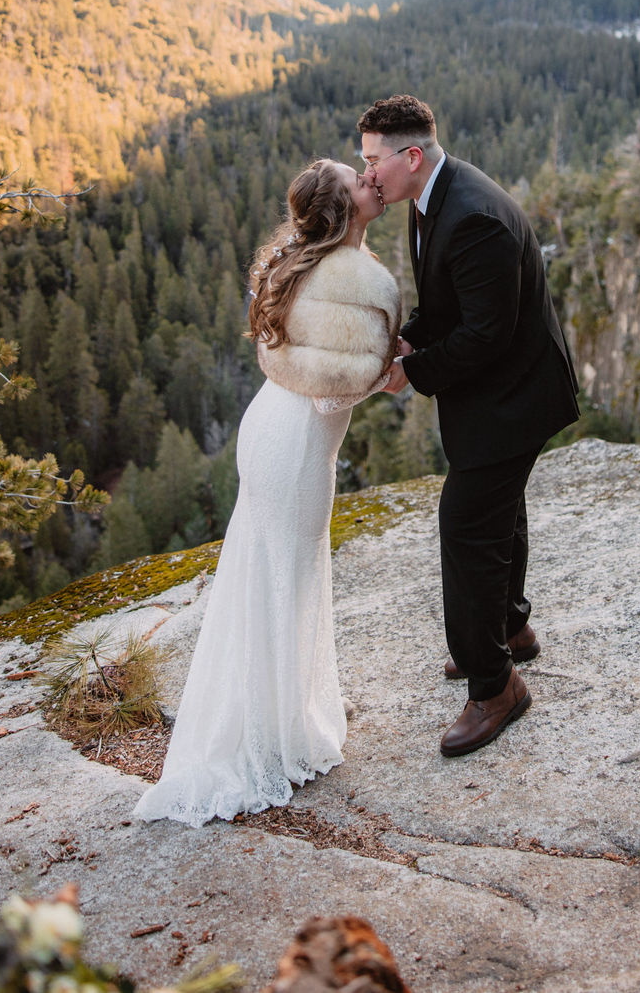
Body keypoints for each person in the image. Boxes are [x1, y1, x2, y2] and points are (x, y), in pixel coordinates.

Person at [134, 159, 399, 827]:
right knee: (291, 575)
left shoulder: (309, 264)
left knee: (267, 574)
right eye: (358, 178)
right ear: (342, 213)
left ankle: (275, 715)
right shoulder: (352, 280)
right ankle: (275, 735)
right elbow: (335, 388)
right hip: (299, 443)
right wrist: (388, 378)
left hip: (270, 427)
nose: (373, 178)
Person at [358, 95, 579, 758]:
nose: (366, 174)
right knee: (499, 510)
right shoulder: (431, 197)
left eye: (373, 161)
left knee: (466, 521)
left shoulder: (473, 216)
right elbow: (447, 300)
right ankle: (509, 630)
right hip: (507, 387)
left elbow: (485, 334)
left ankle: (494, 686)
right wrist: (409, 339)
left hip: (515, 395)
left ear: (412, 155)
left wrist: (413, 370)